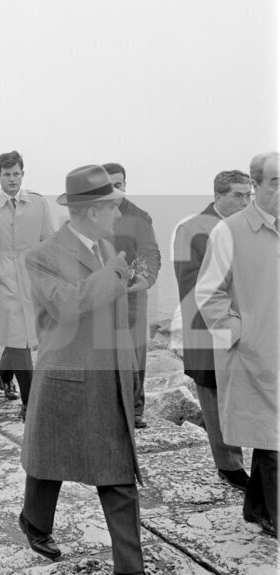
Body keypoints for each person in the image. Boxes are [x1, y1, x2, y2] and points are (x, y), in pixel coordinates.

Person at [20, 164, 151, 575]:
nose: (119, 212)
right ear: (93, 211)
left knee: (117, 476)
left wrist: (131, 371)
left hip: (109, 374)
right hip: (66, 378)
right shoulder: (42, 256)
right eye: (113, 206)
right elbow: (67, 305)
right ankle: (34, 523)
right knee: (47, 465)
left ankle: (129, 572)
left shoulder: (104, 247)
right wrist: (114, 272)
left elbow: (117, 319)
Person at [196, 152, 279, 539]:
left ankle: (256, 507)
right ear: (257, 185)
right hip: (253, 352)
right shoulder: (228, 231)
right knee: (273, 437)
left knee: (272, 434)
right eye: (275, 182)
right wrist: (239, 335)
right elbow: (209, 294)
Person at [173, 170, 251, 491]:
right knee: (215, 395)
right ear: (218, 196)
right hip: (208, 331)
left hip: (249, 327)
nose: (247, 201)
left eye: (249, 195)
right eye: (239, 195)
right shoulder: (191, 229)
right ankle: (228, 466)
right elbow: (192, 286)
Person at [0, 151, 54, 421]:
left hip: (30, 277)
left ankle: (4, 375)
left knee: (22, 335)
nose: (12, 179)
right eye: (6, 174)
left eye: (16, 173)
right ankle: (30, 402)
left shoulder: (39, 204)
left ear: (23, 174)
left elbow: (48, 242)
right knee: (20, 335)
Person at [103, 163, 161, 429]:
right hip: (100, 297)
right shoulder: (91, 214)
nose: (114, 189)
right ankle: (108, 405)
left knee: (135, 355)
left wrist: (142, 280)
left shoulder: (140, 217)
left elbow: (151, 255)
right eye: (108, 184)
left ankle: (136, 410)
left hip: (133, 297)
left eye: (119, 184)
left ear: (125, 185)